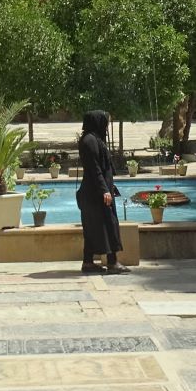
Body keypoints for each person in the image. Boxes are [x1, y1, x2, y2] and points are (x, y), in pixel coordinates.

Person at [76, 109, 127, 274]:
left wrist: (109, 187)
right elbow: (94, 169)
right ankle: (111, 263)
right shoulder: (89, 141)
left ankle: (89, 263)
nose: (107, 127)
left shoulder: (94, 139)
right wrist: (104, 190)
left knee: (99, 227)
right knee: (105, 226)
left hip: (99, 192)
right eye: (105, 122)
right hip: (95, 194)